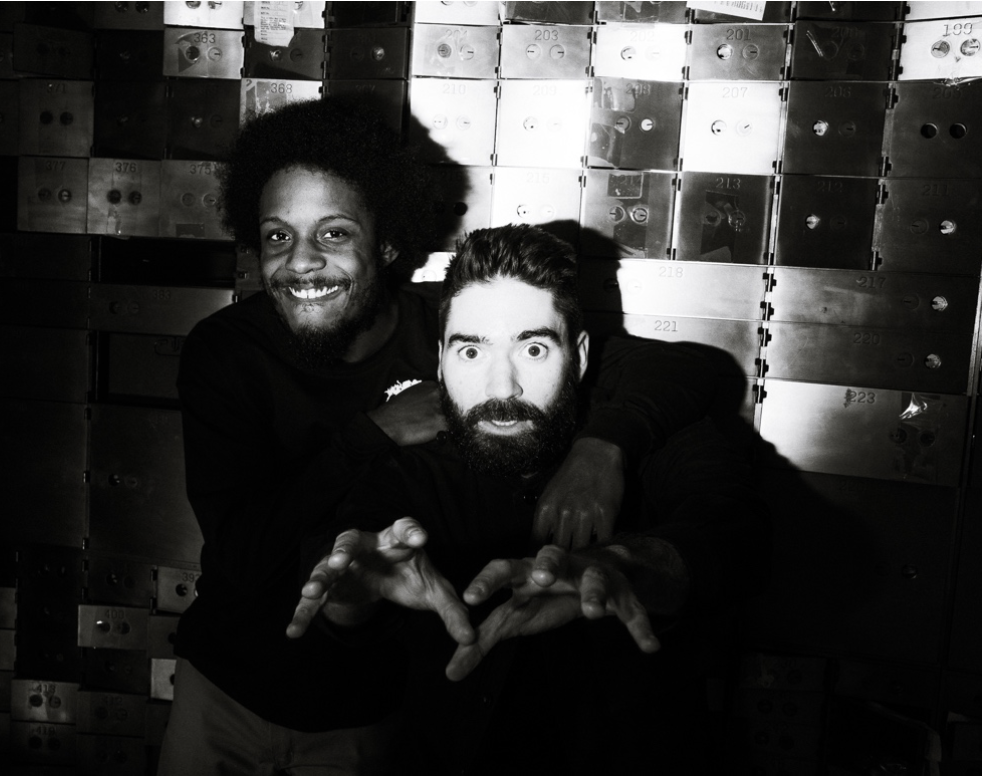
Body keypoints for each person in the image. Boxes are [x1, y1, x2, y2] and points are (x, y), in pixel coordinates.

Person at [160, 98, 719, 774]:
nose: (301, 263)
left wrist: (603, 447)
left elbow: (681, 369)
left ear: (388, 240)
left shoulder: (455, 338)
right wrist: (375, 434)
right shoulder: (227, 351)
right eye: (278, 236)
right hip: (229, 691)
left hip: (376, 712)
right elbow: (243, 554)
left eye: (333, 234)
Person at [290, 224, 771, 774]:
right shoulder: (410, 474)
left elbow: (738, 535)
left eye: (535, 348)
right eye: (471, 351)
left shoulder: (659, 445)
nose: (502, 388)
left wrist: (623, 565)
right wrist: (352, 594)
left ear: (581, 358)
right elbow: (347, 571)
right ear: (441, 366)